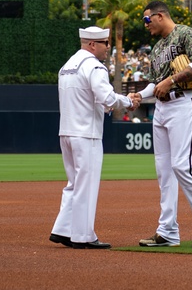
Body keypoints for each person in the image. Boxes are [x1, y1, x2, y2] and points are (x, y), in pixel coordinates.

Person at [137, 0, 192, 248]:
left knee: (183, 165)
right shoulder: (156, 49)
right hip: (162, 108)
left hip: (185, 103)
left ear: (159, 16)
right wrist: (139, 96)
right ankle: (167, 231)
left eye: (147, 20)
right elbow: (155, 85)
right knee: (164, 171)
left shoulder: (185, 33)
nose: (145, 25)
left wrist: (172, 80)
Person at [50, 26, 139, 250]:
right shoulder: (94, 66)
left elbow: (90, 98)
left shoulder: (66, 66)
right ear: (92, 44)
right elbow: (106, 97)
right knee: (86, 185)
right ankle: (83, 236)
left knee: (73, 184)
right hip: (86, 133)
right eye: (105, 43)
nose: (108, 47)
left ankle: (62, 230)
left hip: (67, 131)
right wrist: (128, 101)